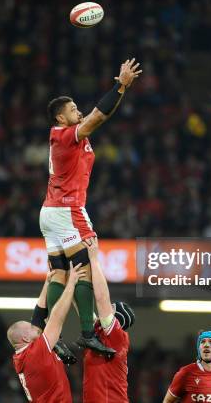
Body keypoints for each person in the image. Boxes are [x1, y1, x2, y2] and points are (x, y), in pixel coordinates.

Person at [40, 58, 141, 356]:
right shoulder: (62, 135)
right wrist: (121, 85)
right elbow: (98, 117)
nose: (78, 111)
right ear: (60, 118)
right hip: (68, 210)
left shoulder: (72, 136)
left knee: (59, 272)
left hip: (52, 211)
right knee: (83, 268)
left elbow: (94, 118)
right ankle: (87, 331)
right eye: (72, 109)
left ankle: (51, 333)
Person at [8, 263, 85, 403]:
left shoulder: (23, 355)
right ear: (25, 338)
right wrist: (71, 283)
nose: (35, 327)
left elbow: (38, 316)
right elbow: (57, 317)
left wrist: (47, 281)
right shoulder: (34, 354)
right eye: (31, 327)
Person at [82, 237, 135, 402]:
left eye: (111, 307)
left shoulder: (117, 337)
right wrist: (73, 275)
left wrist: (94, 259)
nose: (105, 309)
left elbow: (101, 298)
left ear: (117, 319)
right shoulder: (101, 335)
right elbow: (82, 305)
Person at [162, 331, 211, 403]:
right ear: (199, 348)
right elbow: (168, 401)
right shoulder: (185, 373)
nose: (206, 345)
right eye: (202, 342)